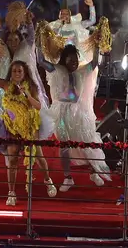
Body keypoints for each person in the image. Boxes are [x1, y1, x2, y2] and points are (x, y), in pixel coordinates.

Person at [0, 57, 55, 205]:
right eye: (14, 71)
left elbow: (38, 106)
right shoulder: (7, 85)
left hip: (29, 127)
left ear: (24, 72)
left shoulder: (31, 86)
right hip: (11, 127)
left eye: (19, 71)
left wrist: (27, 95)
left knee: (38, 156)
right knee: (12, 159)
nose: (17, 73)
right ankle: (11, 193)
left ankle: (48, 180)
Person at [39, 44, 112, 190]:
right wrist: (38, 40)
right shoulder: (56, 70)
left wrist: (97, 44)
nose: (74, 63)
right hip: (60, 114)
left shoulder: (81, 72)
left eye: (76, 60)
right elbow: (40, 61)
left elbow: (94, 63)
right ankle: (68, 178)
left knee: (87, 141)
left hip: (79, 113)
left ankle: (93, 171)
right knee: (64, 146)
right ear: (64, 59)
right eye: (71, 60)